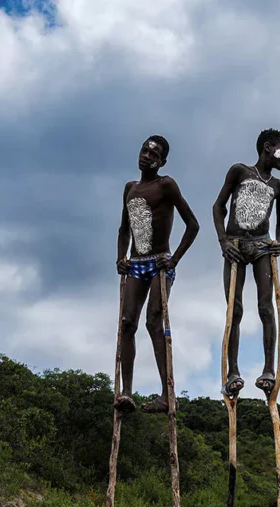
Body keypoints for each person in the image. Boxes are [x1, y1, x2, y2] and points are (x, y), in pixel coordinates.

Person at [114, 135, 200, 414]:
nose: (147, 157)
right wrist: (120, 258)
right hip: (137, 264)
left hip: (159, 263)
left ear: (162, 162)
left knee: (153, 320)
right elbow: (124, 229)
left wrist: (174, 260)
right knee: (127, 323)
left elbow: (193, 225)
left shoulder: (166, 185)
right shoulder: (130, 188)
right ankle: (126, 392)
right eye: (145, 151)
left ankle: (167, 395)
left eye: (154, 155)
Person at [212, 128, 280, 396]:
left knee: (266, 308)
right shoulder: (239, 171)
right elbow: (218, 207)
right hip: (234, 244)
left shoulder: (279, 187)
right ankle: (233, 372)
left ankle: (269, 370)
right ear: (267, 147)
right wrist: (223, 242)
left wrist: (278, 242)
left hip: (261, 247)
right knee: (234, 309)